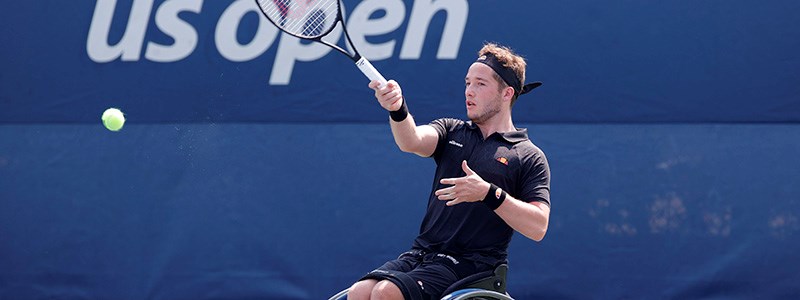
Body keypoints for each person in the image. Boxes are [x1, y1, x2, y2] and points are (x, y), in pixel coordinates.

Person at [347, 43, 551, 300]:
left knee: (387, 293)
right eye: (467, 83)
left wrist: (488, 193)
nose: (469, 91)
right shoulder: (452, 131)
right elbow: (411, 141)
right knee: (360, 292)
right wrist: (398, 109)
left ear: (507, 93)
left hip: (473, 265)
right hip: (423, 254)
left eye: (480, 84)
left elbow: (538, 226)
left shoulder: (528, 155)